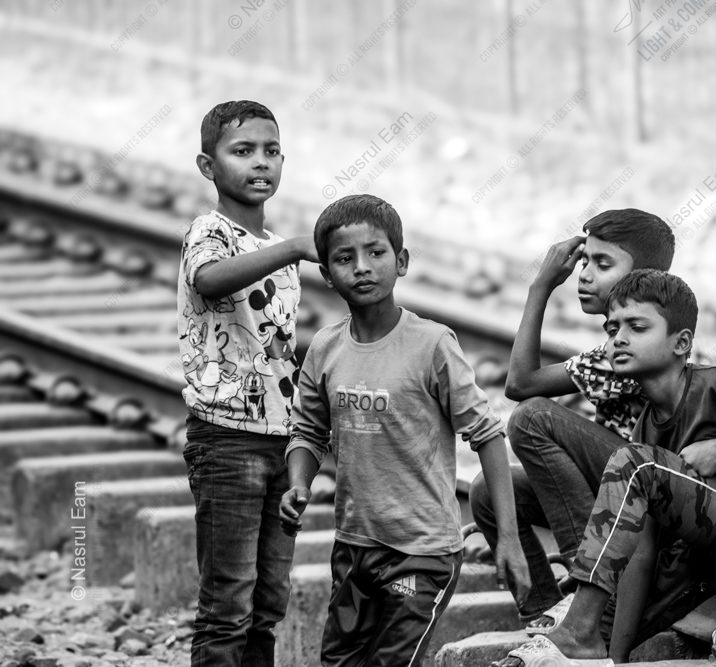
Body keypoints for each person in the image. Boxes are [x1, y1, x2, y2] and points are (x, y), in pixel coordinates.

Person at [499, 270, 716, 666]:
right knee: (622, 484)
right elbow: (641, 547)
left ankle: (578, 629)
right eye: (612, 330)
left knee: (631, 462)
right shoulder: (648, 424)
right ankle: (589, 640)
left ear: (682, 343)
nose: (618, 339)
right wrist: (618, 657)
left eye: (636, 327)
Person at [279, 194, 531, 666]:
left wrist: (510, 540)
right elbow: (308, 431)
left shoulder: (432, 345)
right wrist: (298, 482)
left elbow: (488, 435)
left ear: (402, 261)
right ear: (328, 276)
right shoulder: (325, 349)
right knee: (339, 659)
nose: (362, 267)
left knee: (391, 661)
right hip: (354, 546)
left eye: (376, 252)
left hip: (421, 554)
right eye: (344, 258)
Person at [470, 209, 676, 659]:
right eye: (585, 261)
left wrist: (540, 287)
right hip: (624, 493)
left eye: (603, 265)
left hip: (650, 502)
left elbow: (520, 387)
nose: (584, 275)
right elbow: (520, 382)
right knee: (489, 491)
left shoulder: (639, 345)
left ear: (643, 277)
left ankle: (585, 593)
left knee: (531, 419)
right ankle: (545, 609)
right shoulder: (616, 344)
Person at [177, 100, 319, 667]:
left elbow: (276, 345)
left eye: (271, 151)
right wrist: (292, 248)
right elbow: (209, 281)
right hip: (226, 441)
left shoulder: (280, 255)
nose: (260, 163)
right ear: (208, 167)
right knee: (226, 606)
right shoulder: (208, 232)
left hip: (280, 442)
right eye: (242, 152)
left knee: (267, 604)